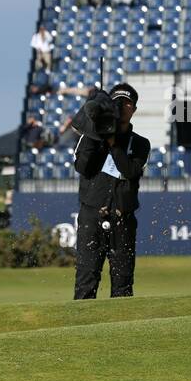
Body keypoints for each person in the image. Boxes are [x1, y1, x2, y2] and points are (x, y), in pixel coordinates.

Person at [73, 83, 149, 300]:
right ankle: (81, 329)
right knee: (86, 278)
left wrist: (114, 143)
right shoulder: (90, 137)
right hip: (91, 216)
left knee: (123, 282)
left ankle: (121, 330)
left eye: (128, 103)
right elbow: (83, 167)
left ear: (133, 109)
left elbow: (130, 170)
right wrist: (95, 130)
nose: (123, 106)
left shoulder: (141, 144)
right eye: (117, 102)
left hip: (122, 217)